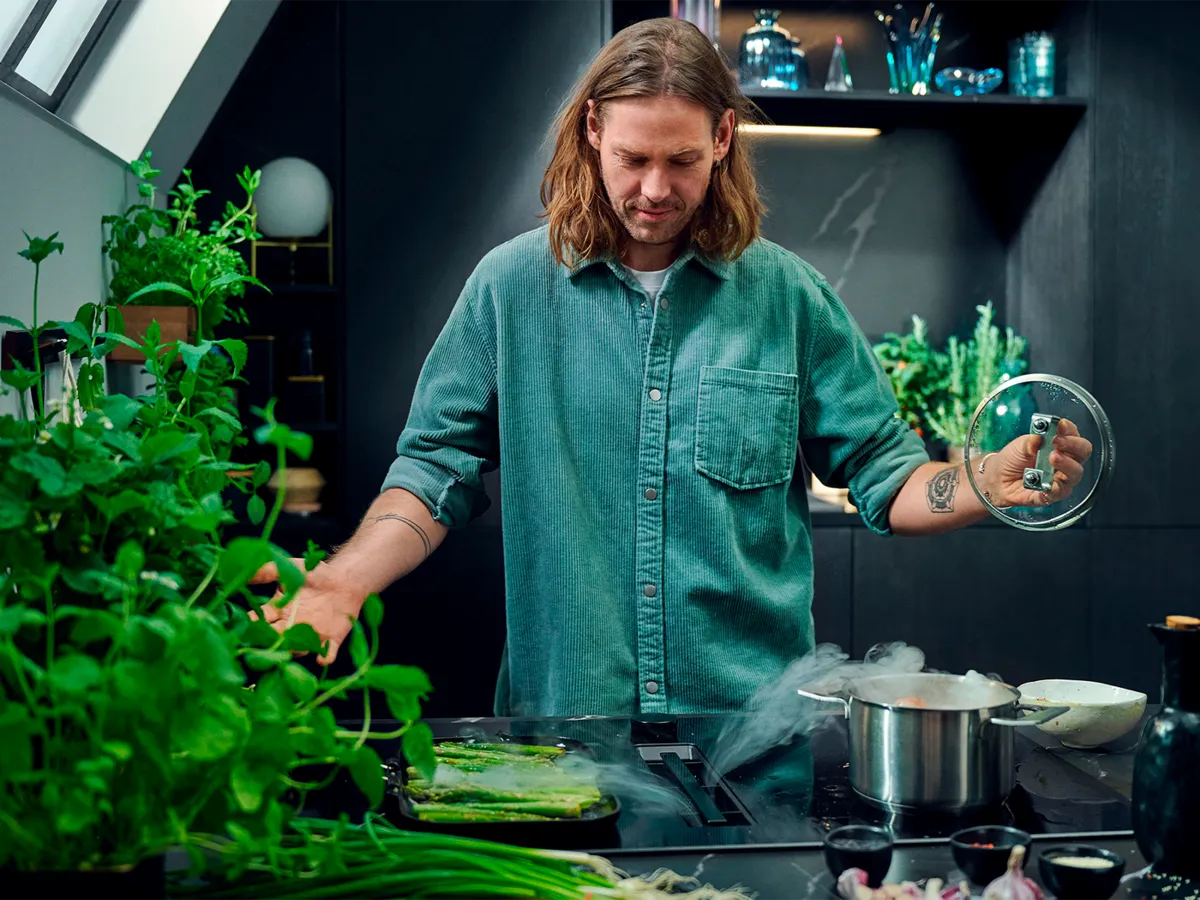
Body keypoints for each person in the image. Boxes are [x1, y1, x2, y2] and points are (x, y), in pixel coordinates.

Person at [251, 17, 1092, 717]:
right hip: (566, 734)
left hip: (752, 742)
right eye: (632, 158)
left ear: (723, 138)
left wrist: (980, 480)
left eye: (681, 160)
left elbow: (883, 475)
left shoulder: (791, 299)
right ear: (593, 134)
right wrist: (340, 581)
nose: (654, 188)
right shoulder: (508, 289)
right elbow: (436, 467)